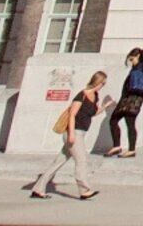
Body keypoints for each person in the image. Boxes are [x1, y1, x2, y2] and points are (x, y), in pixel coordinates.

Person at [28, 72, 106, 200]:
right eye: (103, 83)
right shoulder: (82, 95)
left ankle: (38, 189)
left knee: (58, 163)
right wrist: (71, 134)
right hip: (74, 132)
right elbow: (72, 115)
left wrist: (105, 106)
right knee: (81, 161)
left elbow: (93, 113)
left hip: (81, 132)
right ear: (97, 82)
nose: (103, 86)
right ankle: (84, 190)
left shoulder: (95, 96)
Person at [107, 45, 143, 156]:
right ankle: (122, 147)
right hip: (129, 100)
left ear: (138, 56)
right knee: (119, 121)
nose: (131, 62)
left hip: (132, 100)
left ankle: (128, 149)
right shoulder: (136, 68)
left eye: (132, 59)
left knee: (124, 122)